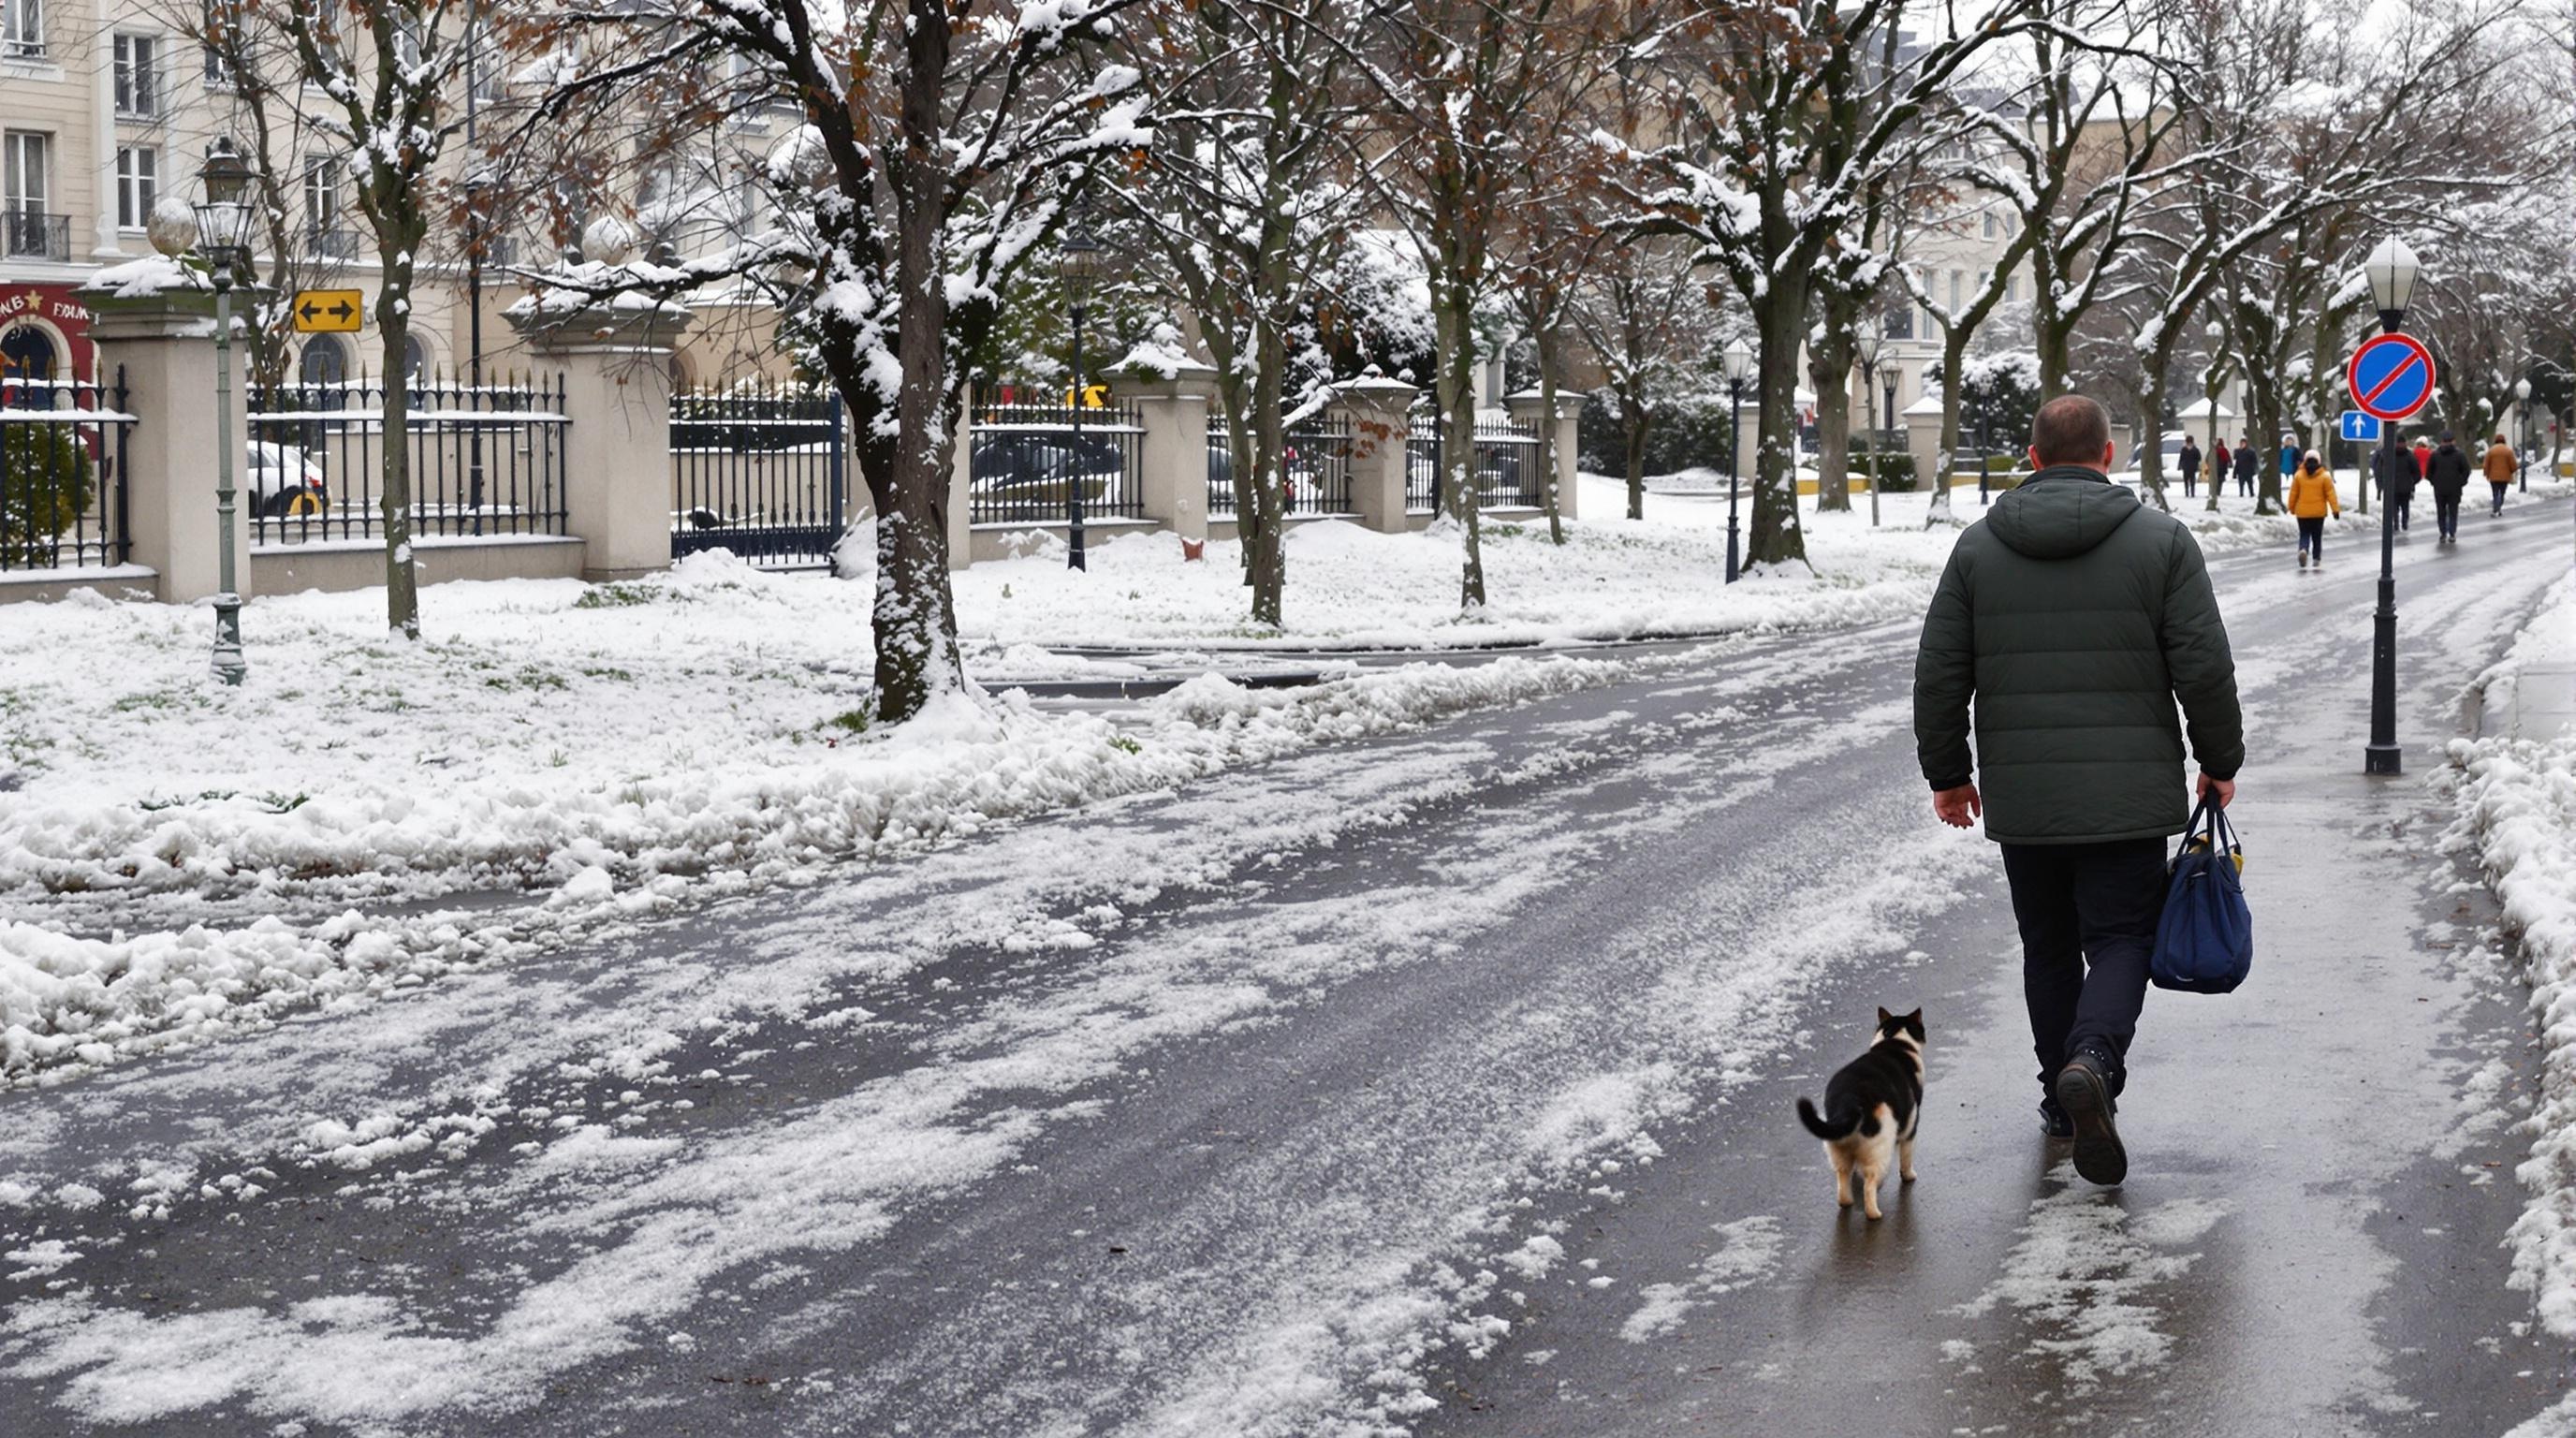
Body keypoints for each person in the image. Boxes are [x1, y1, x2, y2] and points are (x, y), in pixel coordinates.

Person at [1914, 394, 2244, 1187]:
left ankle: (2061, 1100)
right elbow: (2203, 663)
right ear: (2109, 455)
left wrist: (1950, 775)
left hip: (2025, 803)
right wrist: (2219, 757)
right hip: (2129, 796)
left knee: (2050, 945)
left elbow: (1939, 672)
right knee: (2123, 938)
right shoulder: (2162, 542)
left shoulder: (1977, 550)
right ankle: (2094, 1059)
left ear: (2031, 457)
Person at [2288, 448, 2341, 567]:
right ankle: (2316, 558)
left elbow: (2293, 493)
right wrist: (2335, 510)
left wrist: (2291, 507)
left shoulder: (2298, 475)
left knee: (2304, 534)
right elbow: (2331, 494)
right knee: (2317, 536)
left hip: (2302, 513)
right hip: (2318, 513)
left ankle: (2303, 549)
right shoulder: (2325, 476)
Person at [2425, 431, 2471, 544]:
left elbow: (2429, 472)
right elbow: (2466, 470)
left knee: (2441, 512)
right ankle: (2452, 533)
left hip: (2439, 488)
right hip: (2454, 489)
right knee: (2452, 512)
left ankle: (2442, 533)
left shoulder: (2435, 455)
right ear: (2453, 441)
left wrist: (2434, 482)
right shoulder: (2459, 455)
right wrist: (2460, 482)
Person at [2485, 433, 2516, 516]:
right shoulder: (2508, 451)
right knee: (2502, 493)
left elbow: (2486, 464)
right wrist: (2512, 471)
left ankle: (2496, 509)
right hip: (2505, 477)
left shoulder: (2491, 451)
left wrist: (2486, 473)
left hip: (2493, 476)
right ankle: (2498, 508)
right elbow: (2513, 464)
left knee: (2495, 493)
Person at [2178, 435, 2201, 499]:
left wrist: (2180, 466)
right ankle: (2192, 493)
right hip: (2193, 467)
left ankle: (2187, 493)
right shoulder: (2195, 449)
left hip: (2185, 466)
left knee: (2186, 480)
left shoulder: (2184, 449)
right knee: (2192, 480)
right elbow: (2199, 458)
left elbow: (2181, 458)